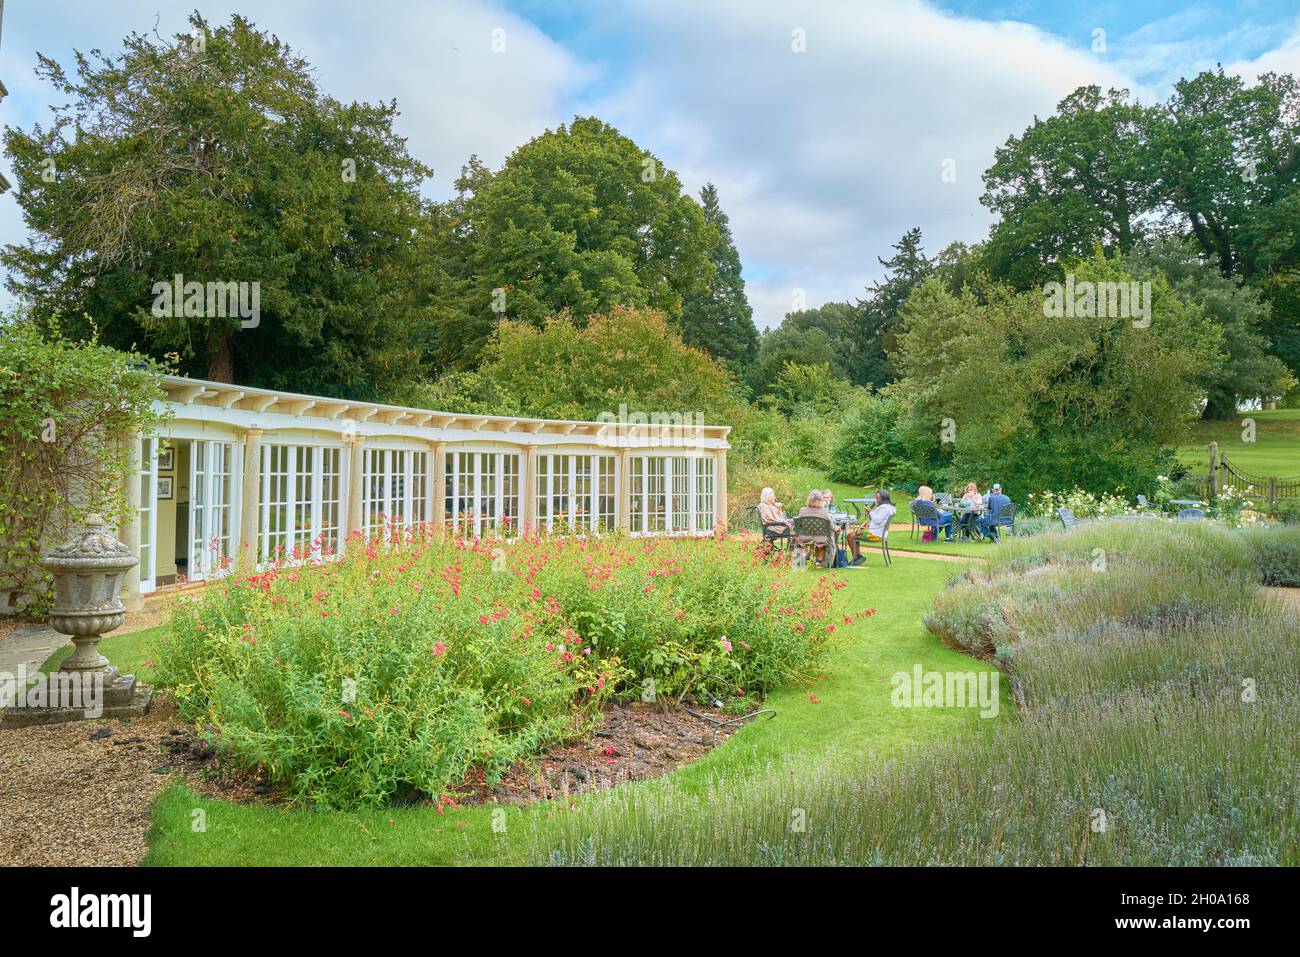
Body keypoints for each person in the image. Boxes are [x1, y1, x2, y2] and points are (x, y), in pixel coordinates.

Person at [795, 491, 835, 566]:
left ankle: (805, 557)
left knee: (819, 539)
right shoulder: (824, 511)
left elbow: (798, 524)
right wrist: (837, 528)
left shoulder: (803, 510)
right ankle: (822, 562)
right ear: (820, 501)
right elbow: (830, 525)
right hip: (821, 538)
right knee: (831, 535)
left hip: (805, 537)